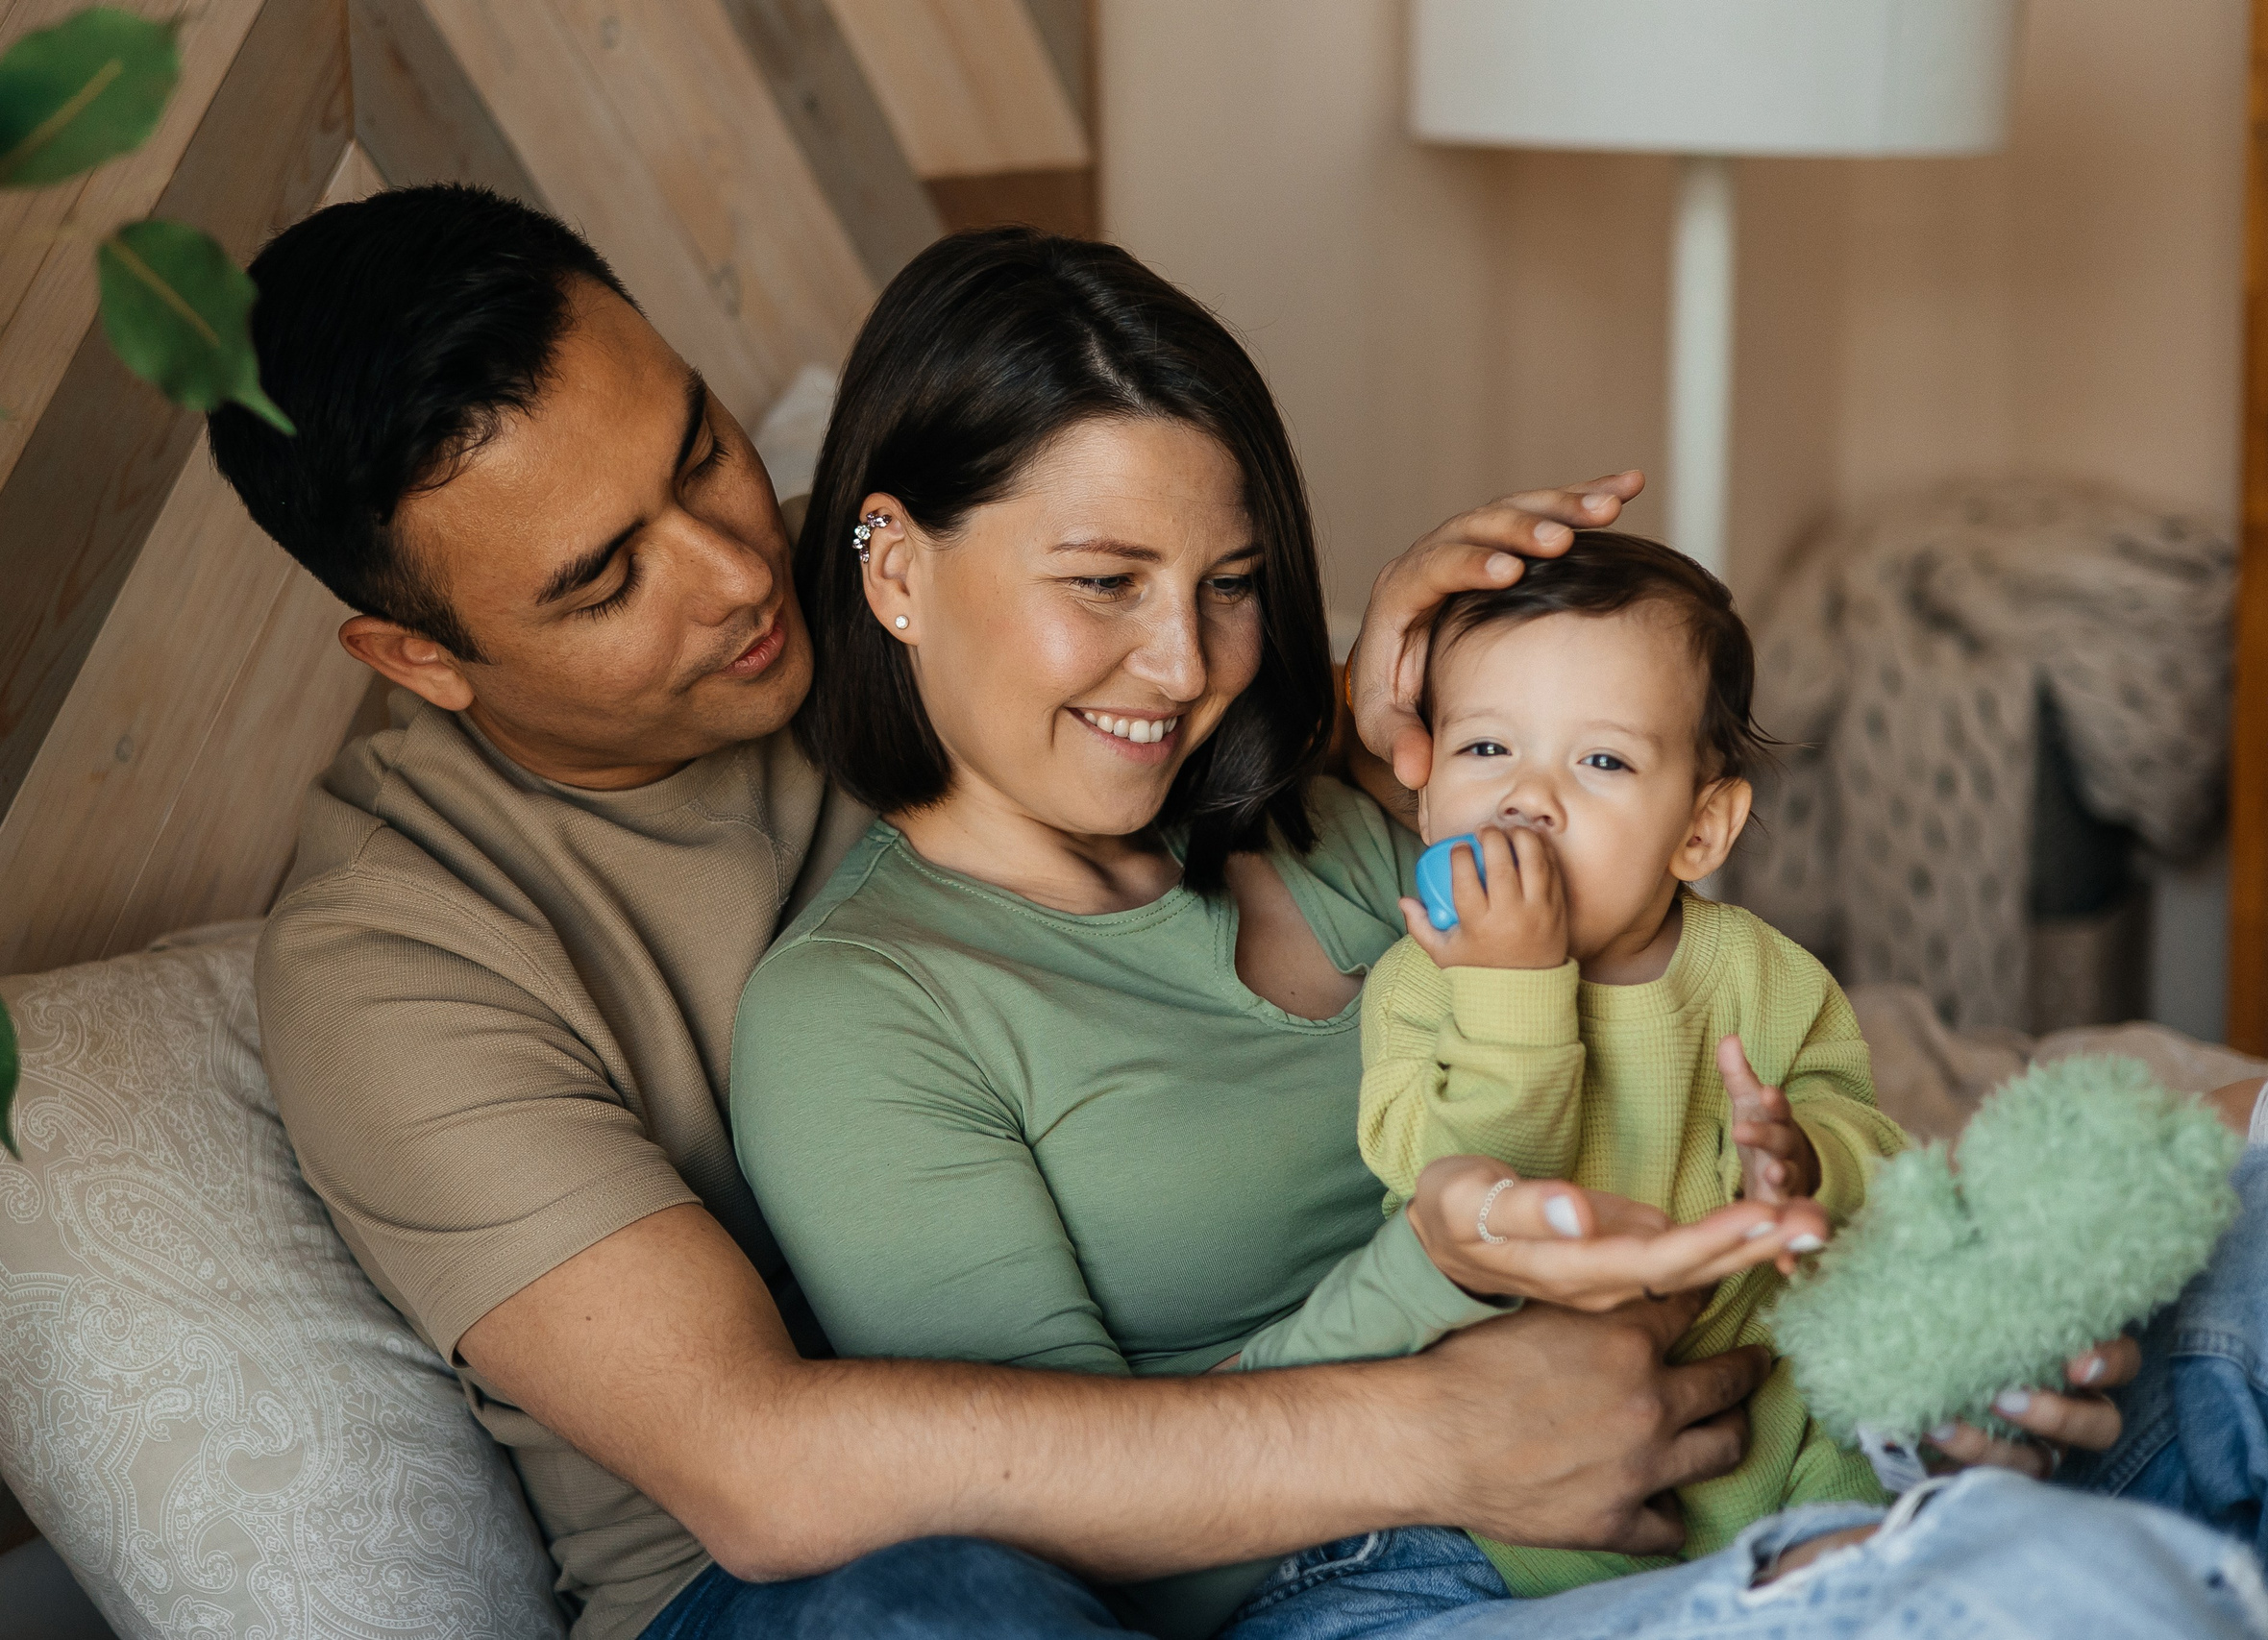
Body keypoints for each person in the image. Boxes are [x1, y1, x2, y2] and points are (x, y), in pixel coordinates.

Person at [206, 184, 1834, 1640]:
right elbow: (763, 1469)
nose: (731, 571)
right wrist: (1444, 1425)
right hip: (811, 1577)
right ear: (419, 656)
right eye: (603, 579)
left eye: (701, 448)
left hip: (1364, 1442)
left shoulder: (870, 555)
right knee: (944, 1599)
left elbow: (1169, 697)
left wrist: (1413, 698)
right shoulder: (397, 955)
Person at [725, 225, 2265, 1639]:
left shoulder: (1337, 820)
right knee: (2041, 1595)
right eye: (1105, 582)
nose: (1185, 662)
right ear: (898, 566)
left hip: (1787, 1426)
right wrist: (1451, 1331)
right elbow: (1069, 1534)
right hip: (1391, 1567)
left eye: (1234, 584)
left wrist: (1946, 1313)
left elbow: (1692, 1032)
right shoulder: (865, 1012)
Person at [1344, 530, 1908, 1596]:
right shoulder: (1422, 981)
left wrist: (1810, 1153)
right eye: (1484, 751)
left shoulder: (1758, 974)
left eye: (1599, 761)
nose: (1528, 798)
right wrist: (1509, 986)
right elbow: (1452, 1180)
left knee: (1879, 1439)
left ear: (1700, 831)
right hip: (1517, 1506)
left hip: (1773, 1438)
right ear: (1425, 804)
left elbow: (1872, 1138)